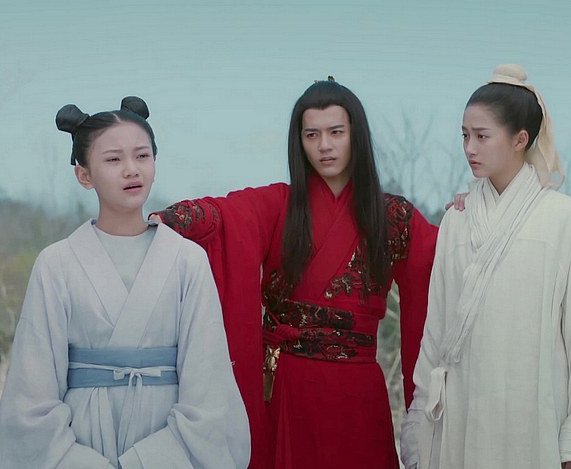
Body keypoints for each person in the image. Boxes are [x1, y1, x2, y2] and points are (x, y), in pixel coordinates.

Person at [151, 78, 439, 468]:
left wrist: (470, 214)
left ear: (356, 135)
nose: (324, 145)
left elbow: (444, 262)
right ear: (299, 141)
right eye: (311, 134)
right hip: (286, 385)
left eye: (336, 132)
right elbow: (224, 217)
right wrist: (170, 220)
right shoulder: (280, 205)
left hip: (356, 394)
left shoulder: (392, 217)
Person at [0, 97, 250, 468]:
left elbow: (209, 388)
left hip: (171, 441)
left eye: (142, 156)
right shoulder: (56, 264)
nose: (132, 170)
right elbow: (31, 394)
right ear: (84, 175)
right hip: (79, 442)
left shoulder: (188, 261)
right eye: (113, 160)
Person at [401, 65, 571, 469]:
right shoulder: (457, 219)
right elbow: (435, 330)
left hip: (535, 413)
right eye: (464, 136)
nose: (469, 148)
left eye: (482, 136)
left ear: (520, 139)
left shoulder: (563, 218)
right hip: (461, 410)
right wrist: (421, 417)